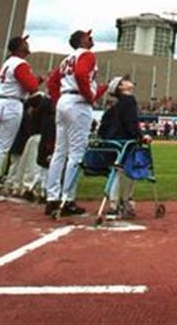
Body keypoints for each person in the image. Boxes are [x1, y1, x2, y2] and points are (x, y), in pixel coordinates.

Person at [45, 29, 104, 217]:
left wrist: (58, 101)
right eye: (88, 36)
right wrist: (89, 96)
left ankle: (52, 198)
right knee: (76, 154)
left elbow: (52, 83)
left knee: (59, 152)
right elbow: (80, 74)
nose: (91, 38)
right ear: (82, 40)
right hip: (78, 102)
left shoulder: (66, 59)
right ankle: (67, 199)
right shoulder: (87, 55)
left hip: (64, 100)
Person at [0, 36, 41, 202]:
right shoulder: (20, 63)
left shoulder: (7, 62)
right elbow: (32, 87)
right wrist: (38, 80)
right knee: (0, 147)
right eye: (25, 42)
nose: (28, 44)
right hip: (10, 103)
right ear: (20, 47)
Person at [97, 75, 150, 218]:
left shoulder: (113, 108)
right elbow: (131, 122)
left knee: (115, 172)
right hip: (124, 142)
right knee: (130, 171)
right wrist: (141, 136)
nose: (129, 82)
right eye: (124, 81)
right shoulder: (129, 101)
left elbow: (102, 128)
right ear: (120, 87)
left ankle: (114, 204)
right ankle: (125, 201)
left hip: (111, 143)